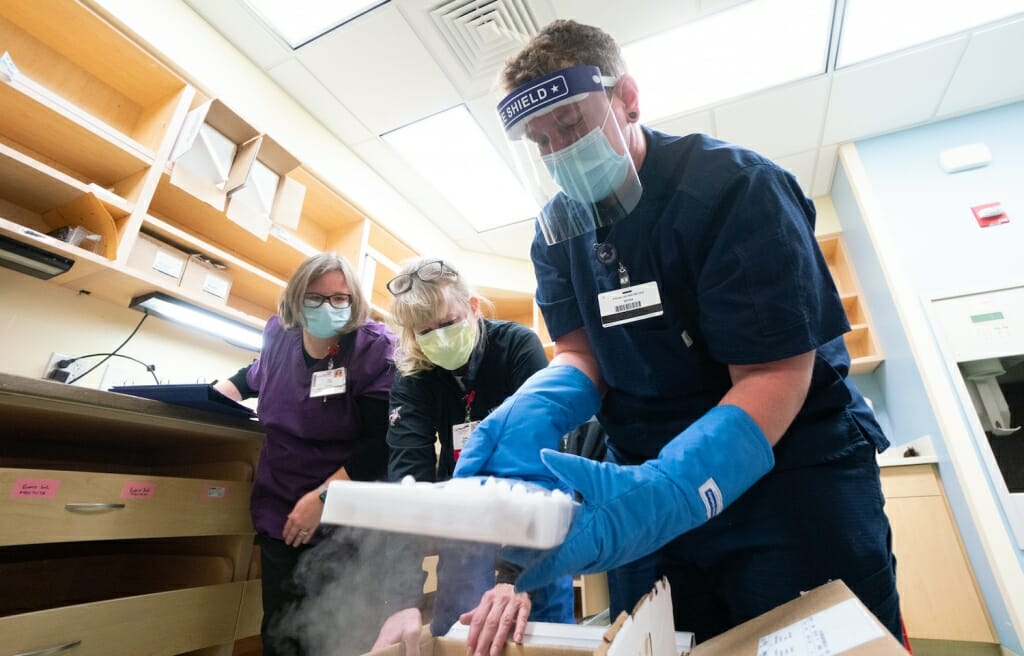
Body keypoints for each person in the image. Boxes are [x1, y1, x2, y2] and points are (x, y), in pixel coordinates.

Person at [452, 18, 903, 647]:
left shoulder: (735, 189)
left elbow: (775, 373)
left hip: (788, 469)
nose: (558, 151)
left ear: (626, 99)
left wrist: (673, 488)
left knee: (823, 638)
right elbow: (583, 351)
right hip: (641, 478)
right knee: (661, 639)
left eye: (572, 126)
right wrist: (536, 405)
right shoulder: (556, 228)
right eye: (540, 139)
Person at [372, 256, 575, 655]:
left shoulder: (517, 347)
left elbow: (541, 459)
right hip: (466, 524)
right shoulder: (414, 374)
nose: (439, 338)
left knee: (537, 636)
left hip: (532, 514)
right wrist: (402, 600)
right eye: (425, 332)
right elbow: (407, 482)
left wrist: (515, 576)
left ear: (474, 308)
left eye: (448, 324)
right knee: (462, 636)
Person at [215, 252, 395, 656]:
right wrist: (212, 395)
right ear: (296, 299)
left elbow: (381, 443)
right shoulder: (279, 334)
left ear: (353, 302)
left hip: (346, 513)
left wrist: (324, 498)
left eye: (338, 298)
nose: (326, 307)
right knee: (281, 633)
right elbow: (253, 376)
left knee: (337, 636)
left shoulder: (372, 349)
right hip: (280, 504)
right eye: (314, 297)